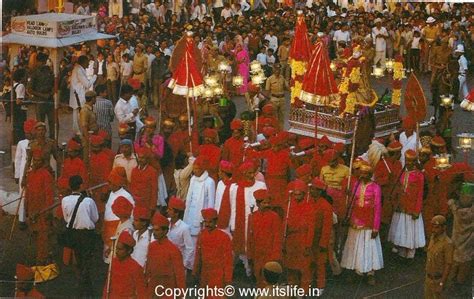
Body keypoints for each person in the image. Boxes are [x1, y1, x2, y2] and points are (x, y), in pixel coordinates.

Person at [341, 161, 383, 286]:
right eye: (361, 173)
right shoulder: (356, 185)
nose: (363, 175)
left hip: (369, 222)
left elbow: (377, 208)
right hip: (355, 220)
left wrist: (376, 227)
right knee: (356, 248)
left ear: (370, 175)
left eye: (366, 173)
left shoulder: (376, 187)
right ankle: (357, 271)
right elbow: (352, 202)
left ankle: (370, 273)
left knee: (368, 248)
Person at [61, 175, 98, 296]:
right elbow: (95, 218)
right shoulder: (89, 201)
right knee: (86, 261)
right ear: (81, 185)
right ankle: (84, 288)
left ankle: (83, 285)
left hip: (73, 234)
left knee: (79, 259)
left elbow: (67, 218)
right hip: (87, 235)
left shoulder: (64, 200)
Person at [229, 160, 267, 276]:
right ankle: (247, 268)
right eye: (249, 173)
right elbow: (233, 206)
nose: (251, 176)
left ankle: (257, 270)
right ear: (243, 173)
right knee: (244, 246)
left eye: (253, 173)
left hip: (257, 222)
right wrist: (233, 224)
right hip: (241, 222)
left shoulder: (261, 185)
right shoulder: (234, 188)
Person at [388, 150, 425, 259]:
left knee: (411, 231)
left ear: (414, 161)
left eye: (411, 161)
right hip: (401, 205)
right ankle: (401, 253)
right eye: (407, 160)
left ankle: (410, 254)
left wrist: (417, 210)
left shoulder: (419, 175)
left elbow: (420, 194)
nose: (409, 163)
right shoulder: (402, 173)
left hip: (412, 206)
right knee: (401, 229)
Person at [247, 189, 282, 287]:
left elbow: (277, 237)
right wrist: (249, 255)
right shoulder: (252, 217)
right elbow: (249, 237)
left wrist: (275, 257)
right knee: (258, 277)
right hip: (257, 254)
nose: (267, 205)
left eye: (268, 202)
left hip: (270, 254)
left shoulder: (274, 217)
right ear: (258, 204)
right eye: (264, 203)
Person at [24, 148, 54, 264]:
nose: (36, 162)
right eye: (34, 160)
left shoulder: (46, 175)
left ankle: (43, 259)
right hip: (32, 209)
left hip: (42, 211)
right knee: (35, 234)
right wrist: (26, 208)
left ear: (42, 162)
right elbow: (27, 193)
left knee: (43, 235)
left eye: (38, 161)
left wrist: (47, 211)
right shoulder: (30, 174)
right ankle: (39, 256)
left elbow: (49, 195)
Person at [146, 212, 186, 297]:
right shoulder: (152, 246)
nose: (154, 233)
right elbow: (148, 268)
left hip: (168, 289)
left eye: (157, 230)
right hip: (153, 287)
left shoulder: (174, 250)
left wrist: (181, 295)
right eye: (153, 230)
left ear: (165, 231)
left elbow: (180, 275)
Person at [193, 208, 233, 290]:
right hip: (204, 274)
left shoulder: (224, 237)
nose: (207, 224)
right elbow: (198, 255)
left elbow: (228, 260)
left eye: (210, 222)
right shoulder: (201, 234)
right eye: (205, 222)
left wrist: (228, 279)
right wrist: (195, 271)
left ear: (215, 222)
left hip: (218, 275)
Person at [103, 167, 134, 263]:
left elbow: (131, 213)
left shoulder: (126, 195)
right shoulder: (111, 193)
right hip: (107, 229)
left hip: (118, 227)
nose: (110, 185)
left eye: (112, 183)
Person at [103, 231, 146, 298]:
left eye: (120, 249)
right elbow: (107, 285)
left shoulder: (136, 267)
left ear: (129, 251)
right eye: (116, 248)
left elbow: (142, 292)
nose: (117, 251)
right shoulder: (113, 262)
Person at [308, 178, 333, 292]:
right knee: (309, 262)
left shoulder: (326, 205)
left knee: (320, 264)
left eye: (313, 189)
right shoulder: (308, 202)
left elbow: (327, 227)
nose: (311, 191)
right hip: (309, 238)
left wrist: (323, 243)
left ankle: (320, 286)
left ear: (319, 191)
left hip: (319, 239)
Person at [183, 156, 216, 241]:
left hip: (201, 214)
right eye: (194, 169)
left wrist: (207, 218)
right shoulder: (193, 179)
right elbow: (189, 196)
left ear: (202, 169)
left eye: (197, 169)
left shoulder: (209, 182)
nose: (194, 171)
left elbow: (211, 203)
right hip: (190, 212)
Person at [424, 215, 453, 299]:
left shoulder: (447, 243)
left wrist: (441, 284)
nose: (433, 230)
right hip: (428, 280)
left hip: (438, 281)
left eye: (436, 227)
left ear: (443, 227)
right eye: (432, 227)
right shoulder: (432, 238)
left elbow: (448, 265)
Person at [14, 119, 36, 227]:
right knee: (22, 196)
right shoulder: (21, 144)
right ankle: (21, 220)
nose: (27, 134)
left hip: (35, 172)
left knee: (34, 195)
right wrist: (17, 175)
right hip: (23, 173)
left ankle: (33, 218)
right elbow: (17, 160)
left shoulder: (37, 143)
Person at [28, 52, 55, 139]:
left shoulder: (49, 71)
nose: (43, 63)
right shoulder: (34, 72)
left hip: (50, 100)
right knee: (40, 124)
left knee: (52, 123)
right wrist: (42, 95)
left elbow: (53, 84)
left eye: (44, 61)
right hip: (40, 101)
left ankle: (52, 142)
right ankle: (40, 141)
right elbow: (30, 89)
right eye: (42, 61)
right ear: (38, 61)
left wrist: (51, 93)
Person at [70, 55, 97, 134]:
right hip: (78, 96)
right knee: (81, 115)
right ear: (83, 62)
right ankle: (81, 132)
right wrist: (95, 76)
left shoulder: (79, 69)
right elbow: (87, 84)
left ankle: (78, 132)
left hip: (78, 95)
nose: (88, 65)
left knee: (77, 115)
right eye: (87, 62)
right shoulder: (78, 70)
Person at [167, 196, 195, 272]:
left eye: (170, 209)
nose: (167, 211)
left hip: (178, 263)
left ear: (177, 213)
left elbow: (190, 248)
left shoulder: (184, 228)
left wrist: (184, 264)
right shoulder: (166, 222)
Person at [129, 147, 158, 211]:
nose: (140, 160)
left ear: (147, 159)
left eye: (142, 158)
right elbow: (132, 187)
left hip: (146, 205)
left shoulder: (152, 172)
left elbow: (154, 191)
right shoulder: (134, 170)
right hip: (135, 203)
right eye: (139, 157)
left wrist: (152, 207)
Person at [79, 90, 99, 166]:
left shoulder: (90, 109)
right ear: (93, 99)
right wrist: (89, 140)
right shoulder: (85, 110)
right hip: (88, 138)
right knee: (87, 159)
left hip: (93, 137)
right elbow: (84, 127)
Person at [214, 160, 234, 232]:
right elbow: (216, 201)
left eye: (219, 171)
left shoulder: (234, 186)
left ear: (224, 173)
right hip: (219, 217)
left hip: (229, 219)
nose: (218, 173)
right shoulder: (220, 183)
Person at [11, 68, 28, 143]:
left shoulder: (13, 85)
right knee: (20, 127)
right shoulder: (21, 86)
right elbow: (18, 101)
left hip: (14, 109)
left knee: (16, 127)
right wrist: (28, 101)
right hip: (20, 110)